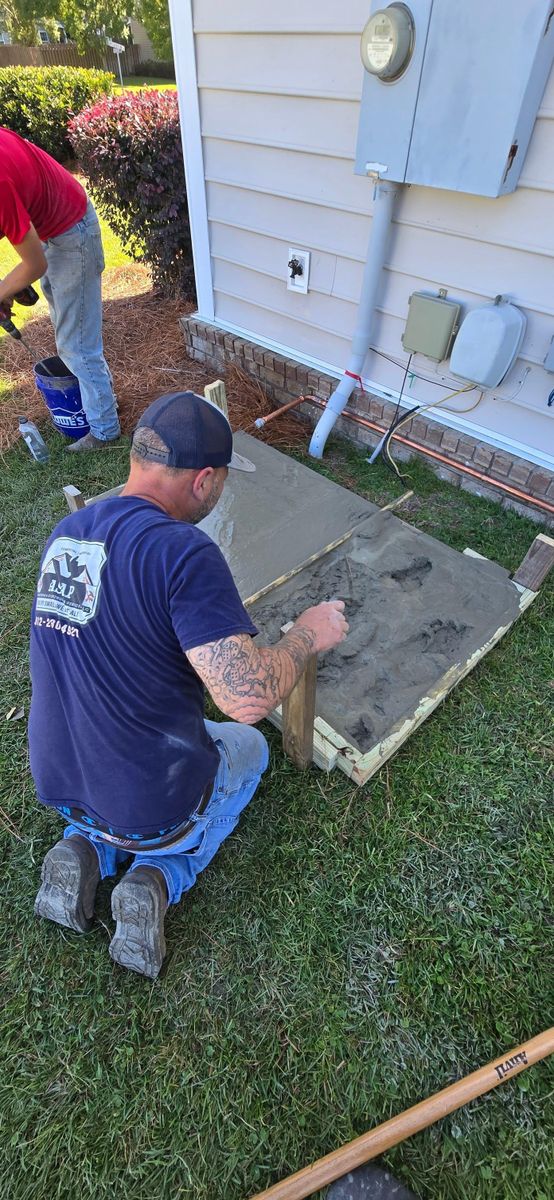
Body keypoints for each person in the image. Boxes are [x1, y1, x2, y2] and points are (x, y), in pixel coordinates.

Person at [29, 391, 349, 978]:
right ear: (203, 481)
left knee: (140, 734)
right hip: (149, 803)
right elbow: (246, 697)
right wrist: (306, 634)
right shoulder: (182, 552)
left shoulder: (67, 533)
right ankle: (157, 876)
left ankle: (85, 846)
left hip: (59, 777)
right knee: (247, 749)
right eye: (222, 482)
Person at [0, 126, 120, 451]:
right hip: (52, 229)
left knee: (77, 346)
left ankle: (104, 432)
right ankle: (98, 404)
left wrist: (2, 291)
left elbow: (34, 265)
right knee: (73, 336)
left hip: (72, 233)